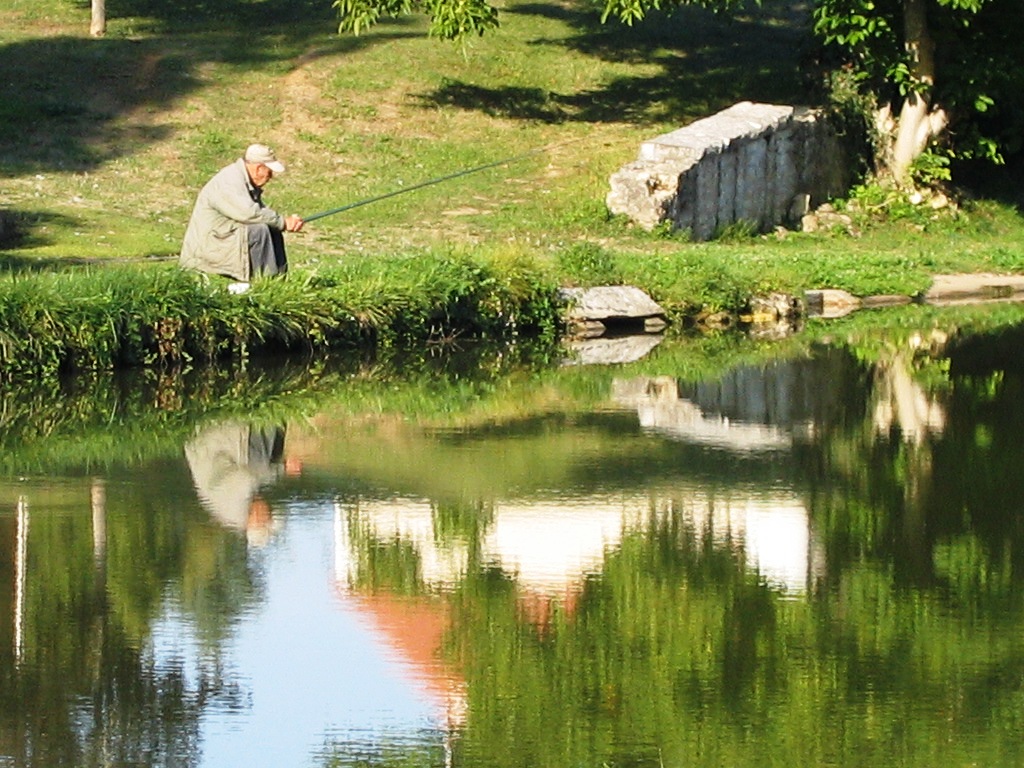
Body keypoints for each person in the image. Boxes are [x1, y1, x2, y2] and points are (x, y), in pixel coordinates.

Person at [179, 143, 304, 286]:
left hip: (224, 237)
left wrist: (282, 223)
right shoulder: (229, 182)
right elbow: (249, 213)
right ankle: (264, 286)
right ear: (258, 168)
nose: (270, 177)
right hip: (208, 248)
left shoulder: (243, 179)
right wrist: (283, 222)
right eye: (269, 171)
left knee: (272, 229)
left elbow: (259, 213)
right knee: (259, 231)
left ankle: (278, 283)